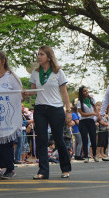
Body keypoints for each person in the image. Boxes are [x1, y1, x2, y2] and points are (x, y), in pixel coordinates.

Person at [26, 45, 72, 179]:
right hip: (40, 109)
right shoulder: (35, 73)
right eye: (38, 54)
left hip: (56, 109)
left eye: (41, 54)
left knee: (58, 139)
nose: (39, 57)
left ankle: (65, 168)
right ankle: (43, 171)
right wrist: (24, 94)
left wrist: (68, 111)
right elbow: (32, 91)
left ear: (49, 57)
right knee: (41, 140)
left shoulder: (58, 72)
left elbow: (64, 93)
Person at [0, 50, 23, 180]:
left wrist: (22, 95)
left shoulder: (12, 77)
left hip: (8, 118)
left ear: (3, 61)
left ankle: (9, 169)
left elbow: (20, 96)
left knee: (6, 144)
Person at [77, 86, 99, 163]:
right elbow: (82, 114)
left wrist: (96, 116)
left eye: (87, 90)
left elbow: (96, 111)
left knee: (93, 138)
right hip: (83, 122)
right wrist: (92, 113)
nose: (86, 92)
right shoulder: (79, 102)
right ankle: (86, 156)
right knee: (85, 139)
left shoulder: (92, 99)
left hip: (91, 121)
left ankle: (95, 155)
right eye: (84, 91)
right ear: (81, 93)